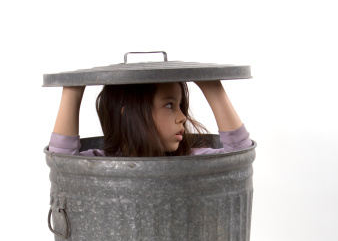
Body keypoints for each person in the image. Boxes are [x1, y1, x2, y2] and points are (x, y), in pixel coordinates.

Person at [49, 81, 252, 157]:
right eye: (170, 105)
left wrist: (213, 88)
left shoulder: (191, 161)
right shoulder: (100, 163)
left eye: (180, 106)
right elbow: (61, 163)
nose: (182, 117)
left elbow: (240, 159)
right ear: (127, 112)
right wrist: (72, 91)